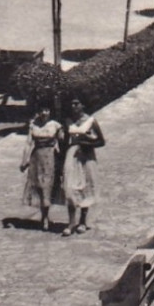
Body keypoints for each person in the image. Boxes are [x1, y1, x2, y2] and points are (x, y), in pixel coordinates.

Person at [61, 98, 104, 236]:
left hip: (87, 157)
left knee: (85, 188)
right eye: (72, 104)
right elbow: (65, 142)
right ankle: (71, 222)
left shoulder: (91, 121)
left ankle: (83, 222)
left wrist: (87, 144)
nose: (74, 106)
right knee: (70, 189)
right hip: (72, 156)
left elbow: (101, 141)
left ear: (83, 105)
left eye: (77, 103)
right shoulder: (68, 121)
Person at [19, 106, 62, 230]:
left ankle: (45, 217)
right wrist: (24, 160)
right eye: (42, 110)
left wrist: (58, 148)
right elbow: (28, 143)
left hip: (51, 157)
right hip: (36, 158)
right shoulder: (33, 125)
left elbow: (61, 140)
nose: (44, 112)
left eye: (47, 110)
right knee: (39, 186)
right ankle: (44, 216)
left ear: (50, 112)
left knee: (47, 186)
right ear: (38, 112)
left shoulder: (55, 125)